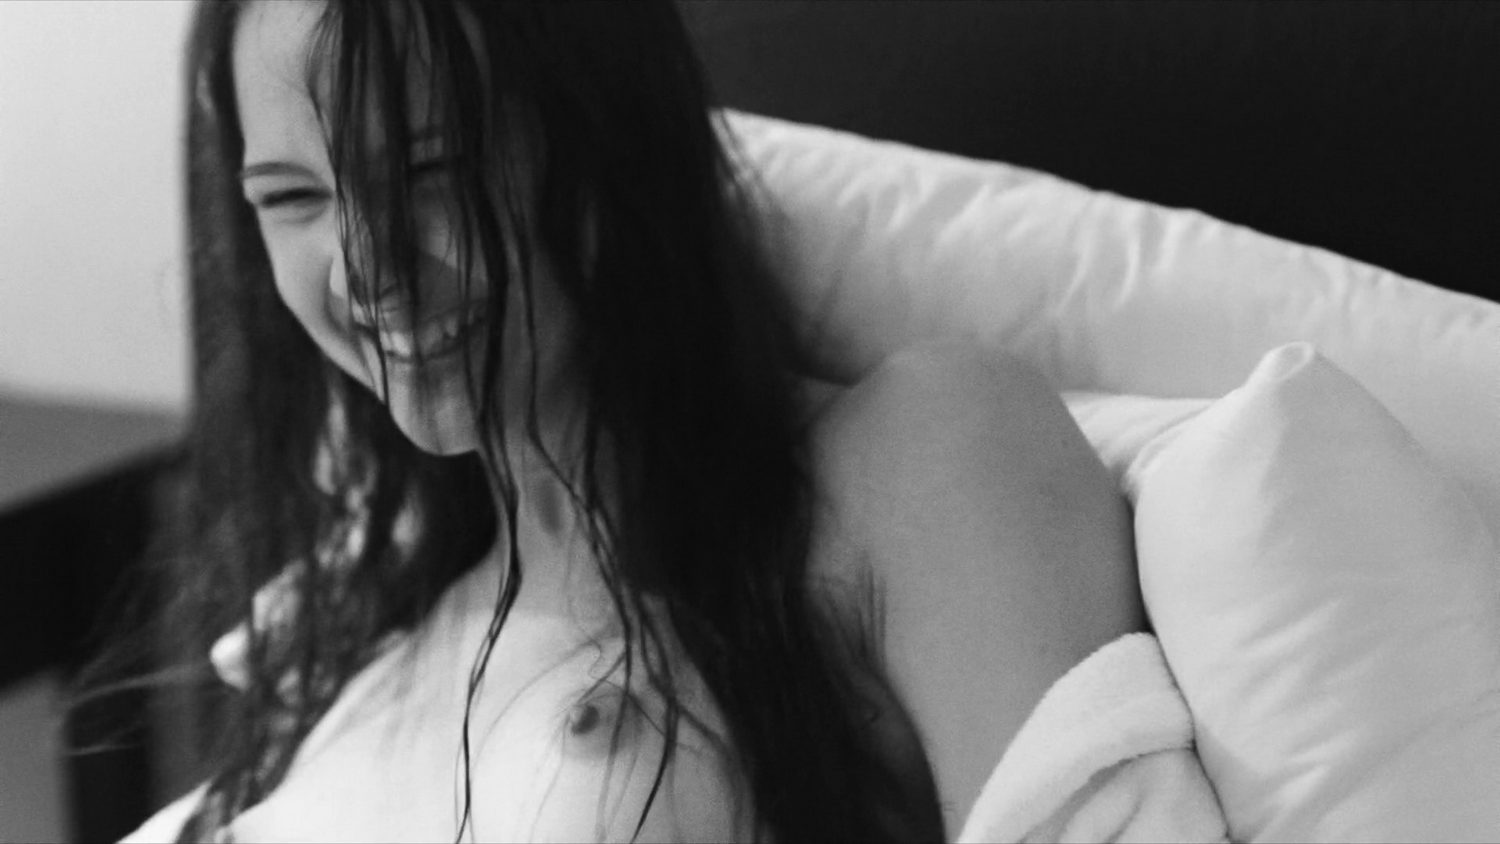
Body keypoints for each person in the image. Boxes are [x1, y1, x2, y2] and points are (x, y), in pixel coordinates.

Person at [129, 0, 1144, 840]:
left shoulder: (920, 456)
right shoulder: (368, 636)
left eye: (429, 170)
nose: (368, 271)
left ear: (609, 138)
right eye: (293, 199)